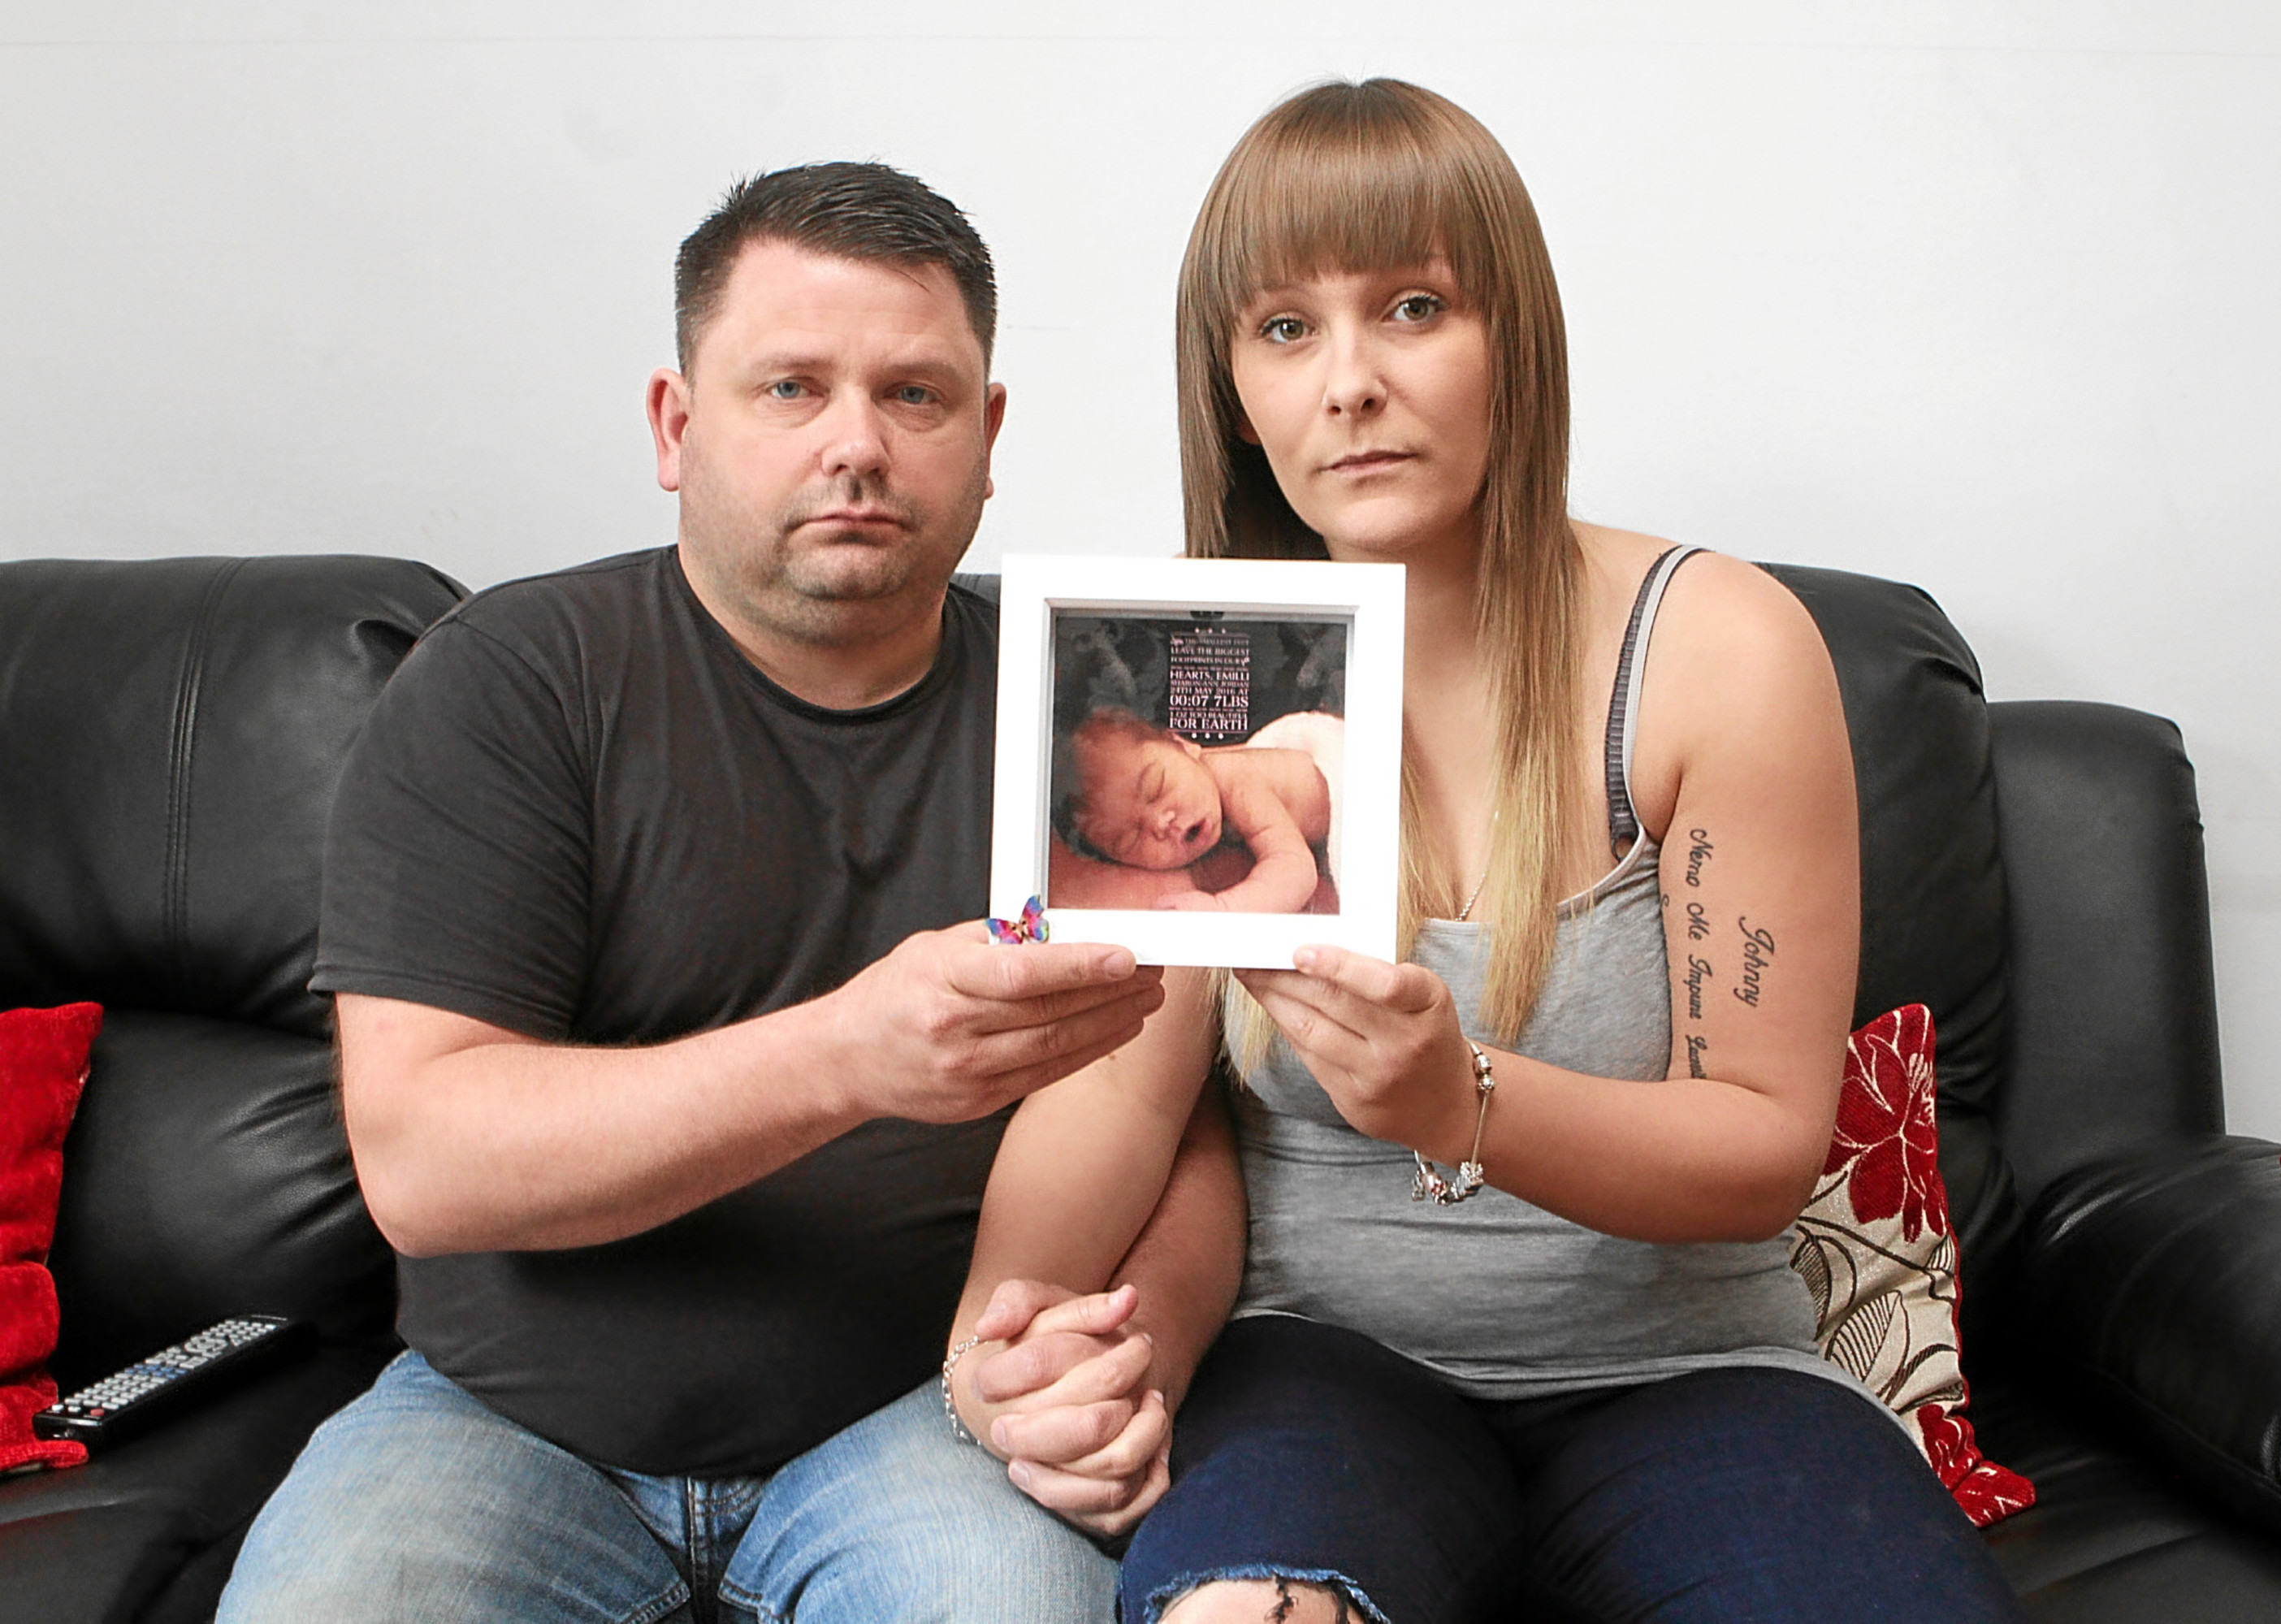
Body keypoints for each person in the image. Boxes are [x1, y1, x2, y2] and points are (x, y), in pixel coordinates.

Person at [951, 82, 2028, 1622]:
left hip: (1697, 1368)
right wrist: (995, 1345)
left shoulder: (1718, 645)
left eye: (1412, 306)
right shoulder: (1193, 668)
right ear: (1232, 390)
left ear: (1513, 334)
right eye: (1283, 328)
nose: (1352, 384)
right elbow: (1116, 1082)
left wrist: (1466, 1100)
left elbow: (1766, 1144)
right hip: (1324, 1367)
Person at [217, 162, 1241, 1624]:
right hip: (512, 1421)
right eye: (789, 389)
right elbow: (423, 1160)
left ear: (989, 436)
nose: (858, 446)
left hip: (927, 1421)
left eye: (916, 395)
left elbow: (1186, 1130)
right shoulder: (510, 684)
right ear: (674, 425)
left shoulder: (1100, 704)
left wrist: (1132, 1357)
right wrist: (846, 1055)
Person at [1049, 706, 1339, 913]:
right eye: (1130, 840)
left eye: (1156, 786)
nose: (1162, 823)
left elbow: (1296, 869)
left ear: (1184, 746)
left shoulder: (1232, 776)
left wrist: (1223, 909)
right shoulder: (1206, 824)